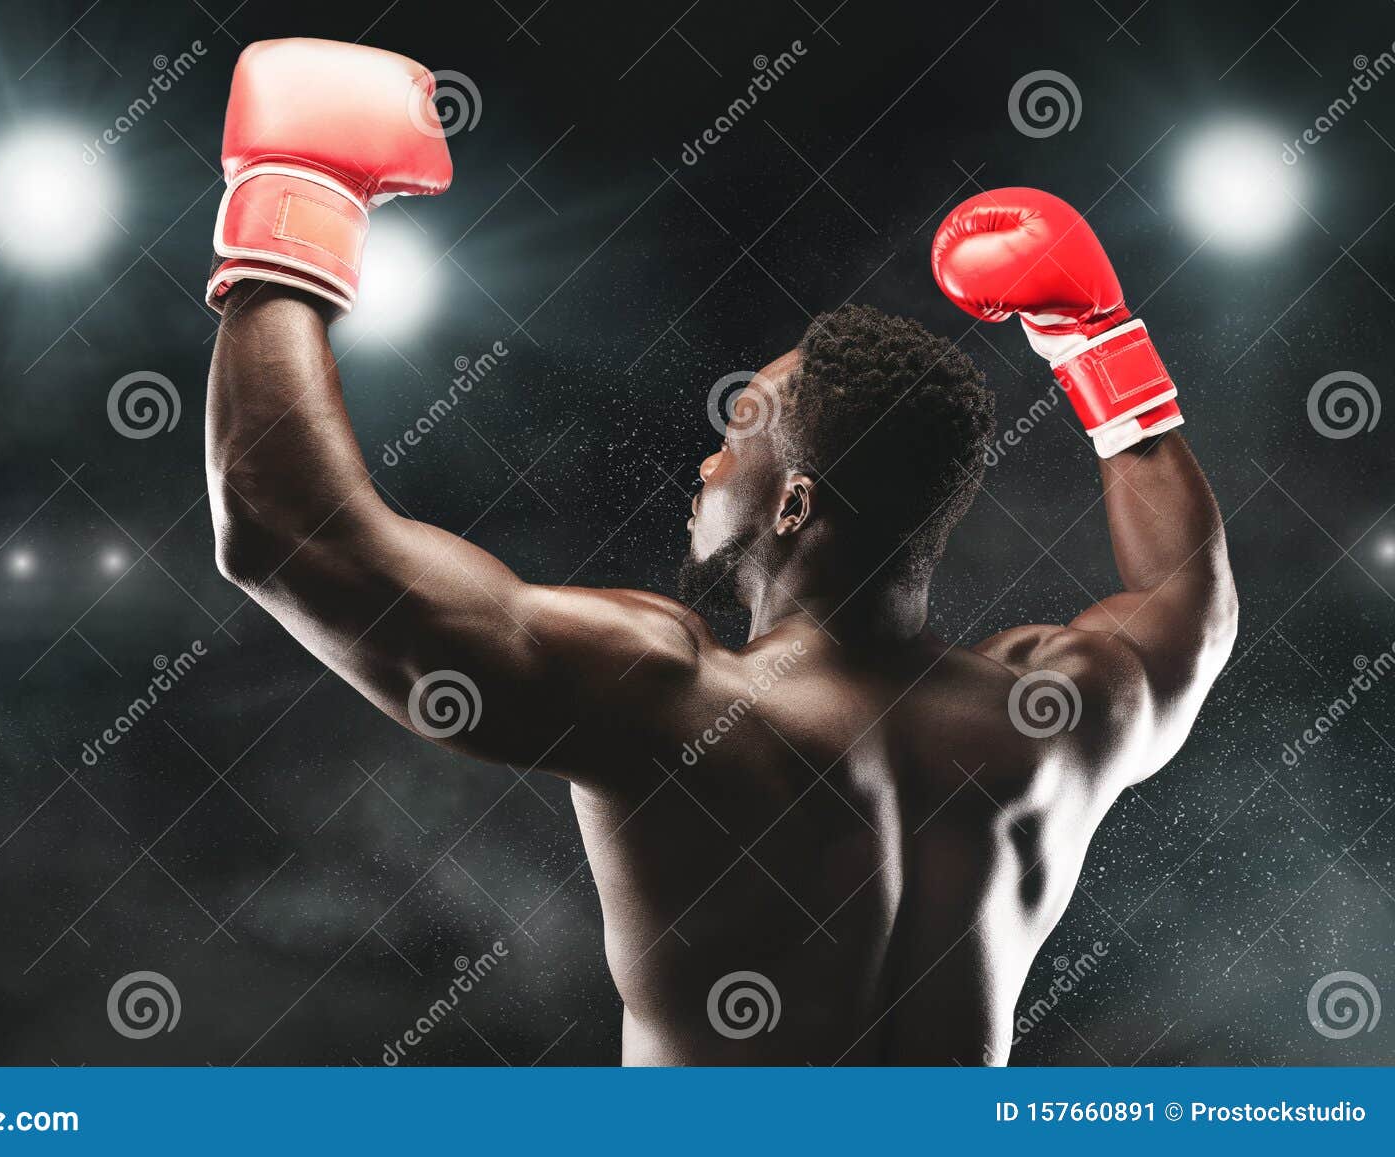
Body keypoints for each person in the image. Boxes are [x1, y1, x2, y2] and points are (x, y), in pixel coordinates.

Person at [204, 38, 1237, 1064]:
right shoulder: (1048, 717)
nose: (704, 462)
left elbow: (285, 530)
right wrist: (1096, 345)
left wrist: (295, 206)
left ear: (793, 502)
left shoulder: (669, 697)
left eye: (736, 423)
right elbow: (1187, 604)